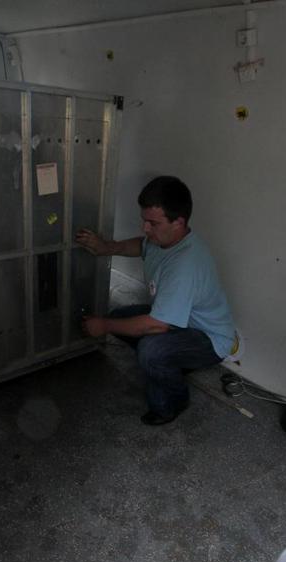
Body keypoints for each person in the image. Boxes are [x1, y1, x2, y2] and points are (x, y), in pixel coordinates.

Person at [75, 175, 236, 426]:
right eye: (144, 220)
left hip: (208, 338)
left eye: (153, 223)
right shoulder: (163, 240)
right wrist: (106, 247)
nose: (145, 229)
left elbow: (156, 325)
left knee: (151, 350)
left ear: (178, 222)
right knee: (120, 318)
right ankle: (173, 363)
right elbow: (140, 246)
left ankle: (173, 402)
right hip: (181, 322)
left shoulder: (185, 265)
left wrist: (102, 326)